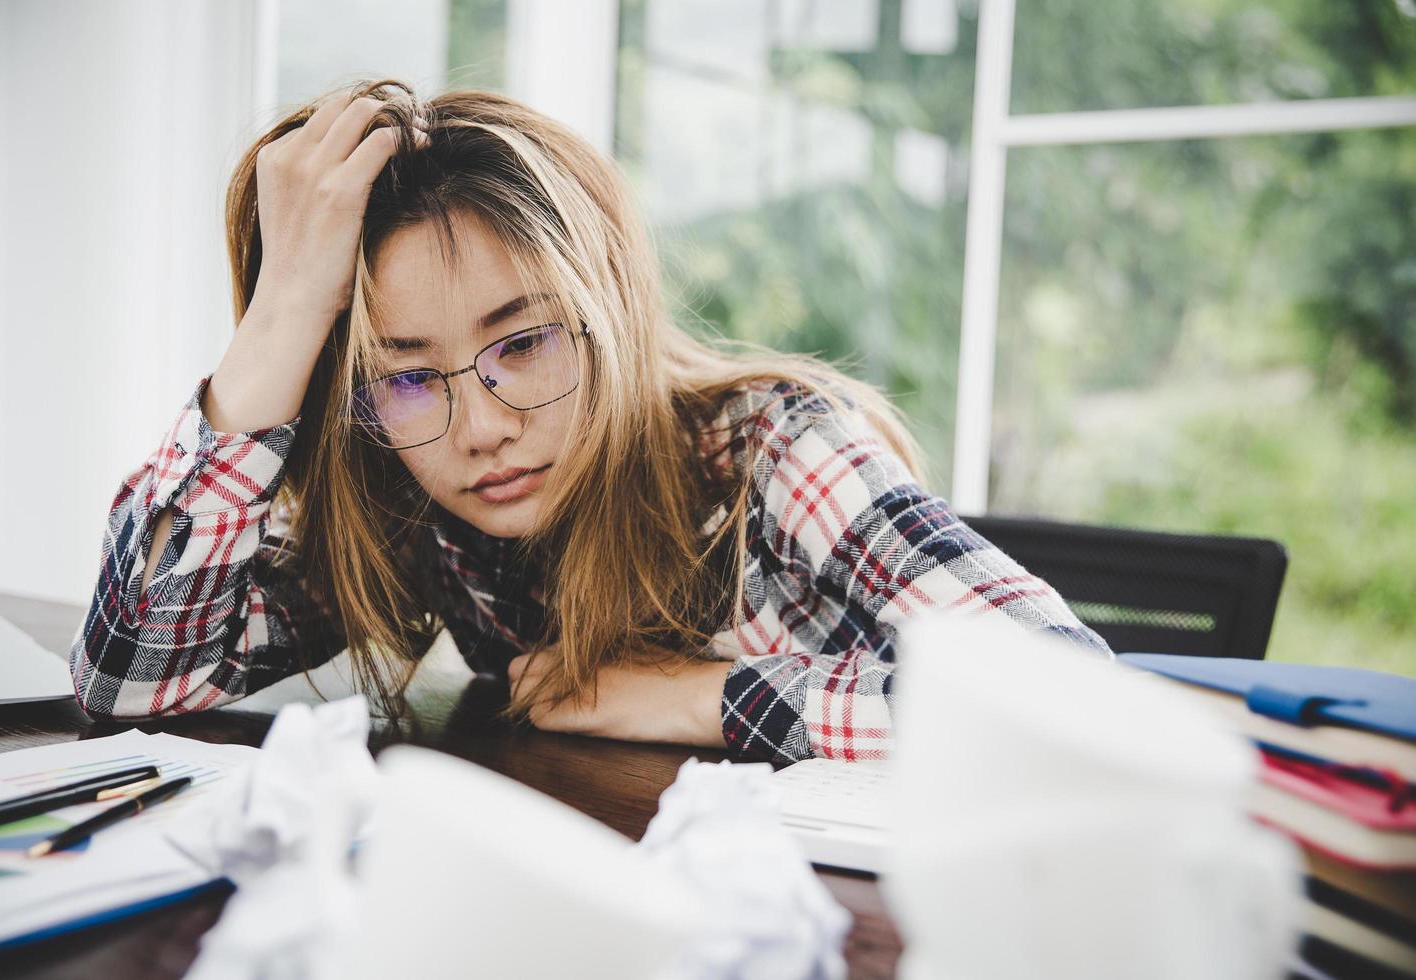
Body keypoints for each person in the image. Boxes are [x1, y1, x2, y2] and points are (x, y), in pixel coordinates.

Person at [68, 80, 1111, 767]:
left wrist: (700, 697)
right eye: (408, 376)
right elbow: (129, 681)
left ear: (607, 306)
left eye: (523, 343)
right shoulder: (410, 497)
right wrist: (281, 316)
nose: (478, 427)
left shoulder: (774, 446)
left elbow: (1063, 698)